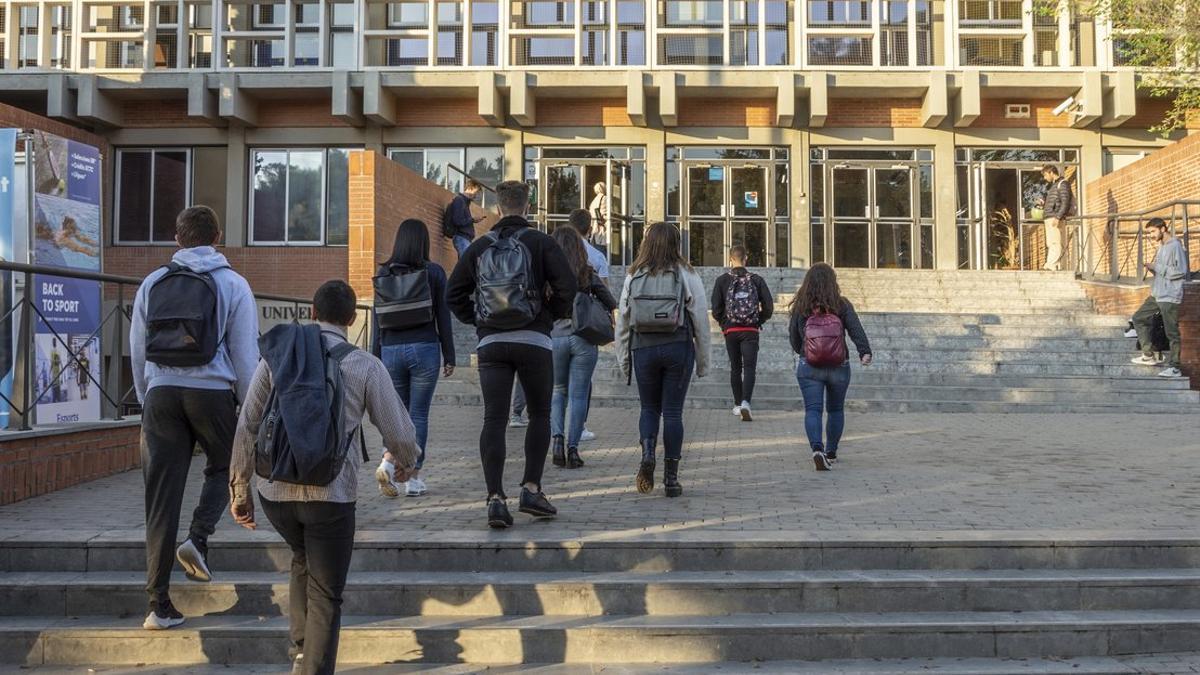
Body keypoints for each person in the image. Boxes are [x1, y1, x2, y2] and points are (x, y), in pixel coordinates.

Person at [229, 280, 419, 675]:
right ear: (351, 319)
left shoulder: (276, 357)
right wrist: (406, 463)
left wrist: (239, 487)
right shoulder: (364, 364)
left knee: (302, 556)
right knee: (326, 593)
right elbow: (399, 430)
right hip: (331, 495)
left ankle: (302, 650)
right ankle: (312, 666)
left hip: (275, 493)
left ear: (311, 313)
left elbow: (247, 423)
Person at [129, 205, 259, 630]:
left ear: (176, 238)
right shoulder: (234, 284)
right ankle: (198, 538)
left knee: (160, 498)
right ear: (217, 236)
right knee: (227, 465)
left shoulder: (152, 282)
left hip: (162, 393)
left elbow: (137, 350)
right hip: (212, 394)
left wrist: (149, 397)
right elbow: (245, 357)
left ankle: (158, 605)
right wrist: (247, 409)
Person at [447, 180, 576, 528]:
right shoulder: (541, 242)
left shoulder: (479, 247)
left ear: (499, 208)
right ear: (527, 206)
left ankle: (494, 499)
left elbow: (453, 294)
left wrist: (479, 320)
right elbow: (568, 286)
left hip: (491, 343)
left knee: (494, 419)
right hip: (534, 339)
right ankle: (531, 489)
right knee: (539, 414)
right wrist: (548, 315)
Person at [615, 222, 711, 498]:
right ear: (676, 244)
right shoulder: (686, 273)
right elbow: (700, 319)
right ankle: (671, 478)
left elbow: (622, 321)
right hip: (677, 347)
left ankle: (647, 454)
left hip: (643, 349)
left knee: (648, 408)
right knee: (672, 413)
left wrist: (624, 361)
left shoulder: (633, 274)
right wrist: (703, 361)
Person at [371, 219, 455, 498]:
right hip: (425, 348)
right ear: (424, 242)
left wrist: (376, 355)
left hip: (391, 349)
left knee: (396, 414)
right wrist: (450, 355)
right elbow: (444, 316)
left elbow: (377, 319)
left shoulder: (384, 272)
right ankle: (413, 478)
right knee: (418, 414)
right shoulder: (433, 272)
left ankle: (387, 460)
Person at [788, 263, 872, 471]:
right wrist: (864, 351)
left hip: (809, 365)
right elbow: (855, 329)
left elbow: (793, 336)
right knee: (835, 409)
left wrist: (804, 352)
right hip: (838, 365)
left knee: (813, 410)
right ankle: (831, 452)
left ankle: (817, 449)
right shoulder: (841, 304)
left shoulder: (802, 305)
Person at [549, 226, 617, 469]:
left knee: (557, 391)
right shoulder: (587, 272)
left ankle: (556, 440)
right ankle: (573, 448)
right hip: (584, 338)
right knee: (578, 395)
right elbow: (611, 301)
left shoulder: (547, 273)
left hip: (554, 336)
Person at [710, 245, 774, 421]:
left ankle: (737, 405)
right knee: (750, 367)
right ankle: (746, 402)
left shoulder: (722, 280)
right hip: (750, 330)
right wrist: (758, 320)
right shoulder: (757, 280)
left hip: (731, 330)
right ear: (746, 259)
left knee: (735, 368)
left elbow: (716, 309)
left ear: (730, 259)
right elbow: (769, 306)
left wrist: (725, 324)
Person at [568, 207, 609, 442]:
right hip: (585, 326)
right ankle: (579, 427)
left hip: (559, 324)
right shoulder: (596, 257)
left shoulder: (554, 252)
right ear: (590, 227)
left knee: (558, 386)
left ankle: (558, 432)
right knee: (583, 383)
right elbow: (604, 292)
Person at [1131, 217, 1189, 378]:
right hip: (1157, 294)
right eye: (1149, 232)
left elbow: (1181, 271)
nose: (1150, 235)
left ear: (1163, 229)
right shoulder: (1162, 247)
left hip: (1170, 296)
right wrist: (1153, 269)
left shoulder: (1175, 246)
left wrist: (1157, 267)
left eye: (1153, 231)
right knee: (1138, 318)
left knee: (1172, 333)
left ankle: (1175, 367)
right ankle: (1148, 355)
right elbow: (1163, 271)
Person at [1041, 164, 1075, 271]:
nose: (1045, 178)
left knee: (1055, 241)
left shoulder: (1063, 184)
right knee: (1051, 242)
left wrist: (1058, 216)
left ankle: (1052, 264)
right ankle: (1050, 263)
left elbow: (1065, 202)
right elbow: (1056, 201)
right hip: (1050, 216)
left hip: (1054, 217)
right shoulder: (1054, 186)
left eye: (1045, 175)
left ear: (1051, 173)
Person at [446, 179, 486, 258]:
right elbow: (457, 221)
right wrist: (472, 219)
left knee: (466, 264)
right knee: (467, 264)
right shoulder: (459, 200)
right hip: (461, 237)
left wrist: (473, 220)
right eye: (476, 192)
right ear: (471, 188)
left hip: (464, 239)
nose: (476, 195)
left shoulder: (464, 202)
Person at [588, 181, 609, 251]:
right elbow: (603, 215)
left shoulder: (594, 201)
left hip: (594, 231)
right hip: (601, 230)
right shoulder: (604, 198)